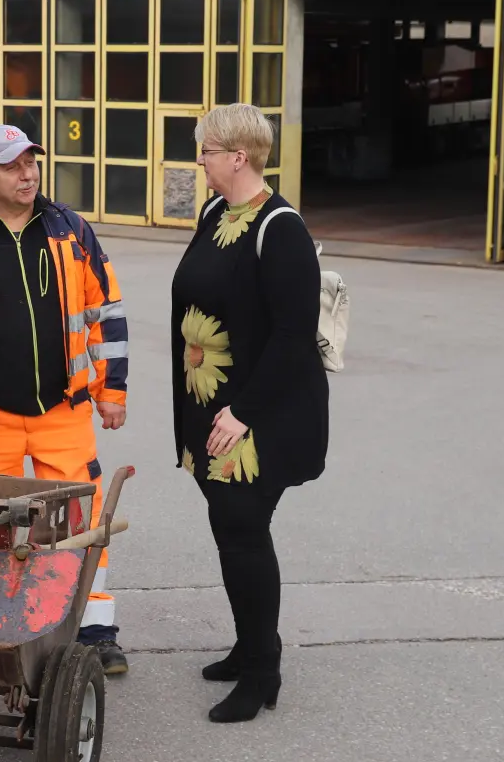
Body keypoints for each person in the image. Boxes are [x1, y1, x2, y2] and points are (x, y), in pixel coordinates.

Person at [0, 124, 132, 674]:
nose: (28, 173)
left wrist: (112, 389)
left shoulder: (71, 232)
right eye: (13, 165)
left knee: (82, 522)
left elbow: (106, 314)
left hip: (65, 412)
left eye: (32, 162)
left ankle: (95, 627)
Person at [170, 103, 328, 723]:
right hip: (212, 406)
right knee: (229, 528)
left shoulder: (280, 227)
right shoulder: (215, 212)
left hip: (256, 417)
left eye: (205, 151)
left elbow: (295, 335)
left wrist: (242, 412)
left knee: (243, 533)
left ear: (238, 156)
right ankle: (249, 646)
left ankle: (263, 671)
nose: (199, 161)